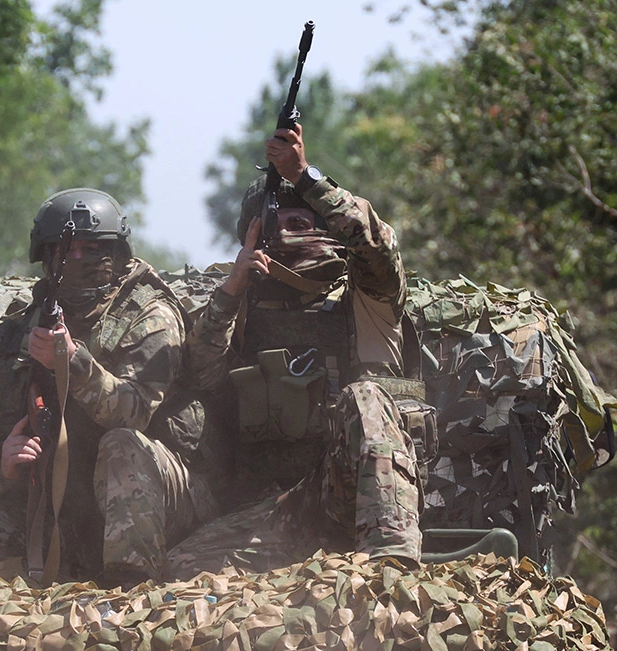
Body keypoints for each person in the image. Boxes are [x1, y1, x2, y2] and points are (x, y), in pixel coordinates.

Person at [169, 123, 431, 578]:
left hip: (351, 500)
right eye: (282, 216)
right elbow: (198, 376)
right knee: (180, 568)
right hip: (276, 510)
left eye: (308, 215)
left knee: (365, 397)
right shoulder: (238, 304)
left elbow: (377, 248)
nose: (299, 222)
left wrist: (304, 176)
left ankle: (390, 571)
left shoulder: (366, 295)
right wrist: (232, 291)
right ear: (255, 231)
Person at [0, 188, 217, 584]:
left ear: (117, 254)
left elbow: (134, 414)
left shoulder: (149, 315)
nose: (78, 261)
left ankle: (132, 593)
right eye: (65, 251)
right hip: (67, 505)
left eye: (93, 249)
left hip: (160, 496)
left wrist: (73, 362)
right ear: (46, 258)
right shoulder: (20, 332)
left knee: (122, 446)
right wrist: (1, 463)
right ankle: (38, 608)